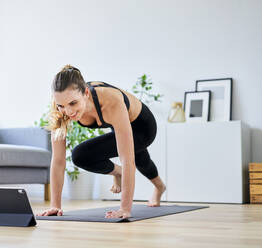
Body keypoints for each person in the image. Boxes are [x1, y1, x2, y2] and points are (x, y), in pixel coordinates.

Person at [37, 65, 166, 219]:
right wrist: (55, 206)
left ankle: (159, 187)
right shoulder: (60, 112)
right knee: (80, 155)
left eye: (73, 103)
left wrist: (124, 209)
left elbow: (127, 160)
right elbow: (58, 161)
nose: (68, 112)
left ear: (85, 93)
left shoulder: (111, 101)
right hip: (117, 123)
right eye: (61, 105)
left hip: (142, 127)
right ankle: (118, 172)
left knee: (139, 159)